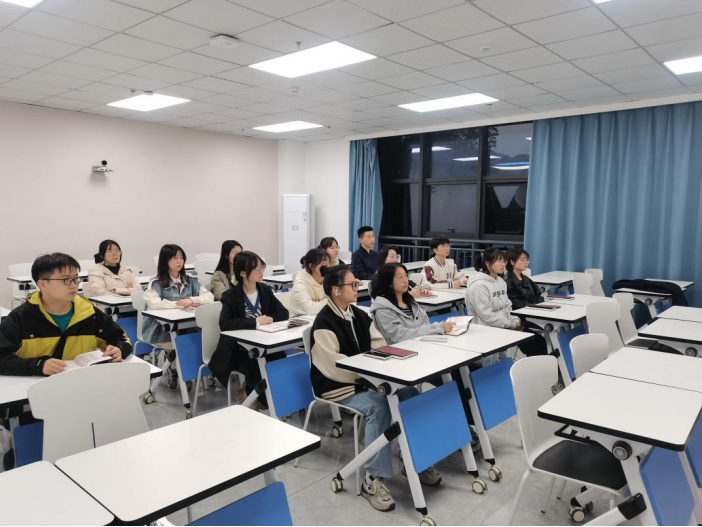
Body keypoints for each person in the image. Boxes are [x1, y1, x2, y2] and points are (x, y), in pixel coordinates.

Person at [310, 265, 442, 513]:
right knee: (379, 406)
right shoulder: (324, 322)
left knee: (410, 394)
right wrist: (370, 374)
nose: (357, 287)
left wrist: (380, 366)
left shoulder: (358, 315)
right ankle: (372, 478)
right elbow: (333, 367)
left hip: (367, 378)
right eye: (352, 284)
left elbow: (379, 345)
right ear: (336, 290)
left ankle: (413, 459)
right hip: (338, 385)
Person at [0, 253, 132, 376]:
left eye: (76, 279)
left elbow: (121, 338)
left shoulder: (89, 313)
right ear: (43, 284)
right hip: (34, 386)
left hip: (79, 381)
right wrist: (38, 365)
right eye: (66, 279)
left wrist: (119, 349)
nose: (74, 285)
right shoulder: (21, 317)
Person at [210, 251, 288, 409]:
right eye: (255, 268)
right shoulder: (231, 295)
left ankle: (263, 398)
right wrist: (256, 322)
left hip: (263, 342)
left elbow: (283, 313)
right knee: (256, 368)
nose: (260, 271)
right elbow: (225, 323)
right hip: (238, 349)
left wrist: (269, 318)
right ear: (242, 273)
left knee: (281, 360)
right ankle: (262, 400)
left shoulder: (264, 290)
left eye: (261, 267)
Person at [465, 248, 547, 361]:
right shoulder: (479, 286)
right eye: (499, 261)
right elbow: (487, 316)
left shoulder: (500, 282)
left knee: (539, 341)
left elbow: (508, 306)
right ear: (488, 264)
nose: (503, 264)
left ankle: (539, 368)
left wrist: (515, 320)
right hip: (487, 330)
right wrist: (512, 325)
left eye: (503, 261)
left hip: (504, 326)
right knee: (533, 344)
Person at [142, 244, 213, 351]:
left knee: (205, 341)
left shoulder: (191, 280)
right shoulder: (155, 284)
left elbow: (209, 297)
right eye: (175, 258)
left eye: (181, 258)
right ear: (165, 260)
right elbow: (155, 304)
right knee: (190, 345)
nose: (179, 261)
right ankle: (175, 358)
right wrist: (182, 304)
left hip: (189, 328)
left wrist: (191, 300)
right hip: (162, 333)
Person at [370, 263, 453, 344]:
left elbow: (426, 326)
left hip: (422, 345)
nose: (405, 280)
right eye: (400, 277)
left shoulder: (412, 304)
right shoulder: (383, 308)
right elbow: (399, 335)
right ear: (389, 282)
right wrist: (437, 328)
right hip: (400, 350)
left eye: (406, 276)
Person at [289, 248, 330, 317]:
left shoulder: (327, 280)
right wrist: (329, 301)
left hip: (321, 317)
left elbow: (340, 300)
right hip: (301, 321)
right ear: (311, 266)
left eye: (328, 262)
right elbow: (310, 309)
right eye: (322, 262)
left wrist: (321, 302)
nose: (327, 266)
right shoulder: (300, 284)